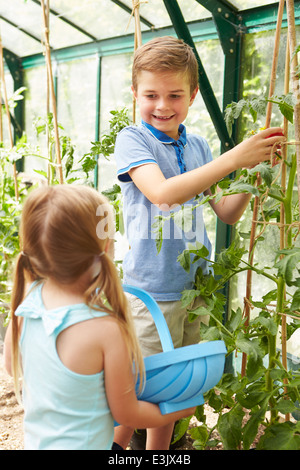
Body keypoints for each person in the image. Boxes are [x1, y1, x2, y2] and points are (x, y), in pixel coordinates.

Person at [113, 35, 286, 450]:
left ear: (192, 95)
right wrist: (233, 159)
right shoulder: (133, 140)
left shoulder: (198, 145)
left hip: (196, 288)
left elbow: (226, 211)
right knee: (141, 388)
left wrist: (252, 173)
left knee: (176, 388)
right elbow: (162, 193)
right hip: (150, 293)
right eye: (151, 94)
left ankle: (160, 452)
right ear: (134, 93)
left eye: (175, 94)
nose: (162, 105)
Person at [3, 184, 195, 450]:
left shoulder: (29, 301)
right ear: (106, 248)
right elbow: (126, 415)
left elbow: (13, 366)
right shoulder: (105, 329)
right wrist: (179, 410)